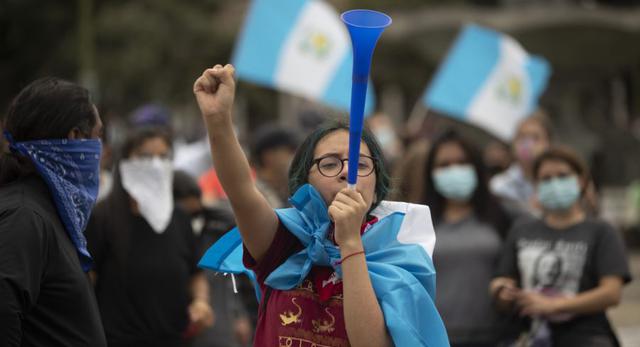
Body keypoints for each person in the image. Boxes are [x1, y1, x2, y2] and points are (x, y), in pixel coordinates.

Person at [193, 64, 449, 347]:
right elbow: (241, 190)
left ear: (377, 184)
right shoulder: (284, 239)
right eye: (329, 164)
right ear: (306, 180)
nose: (345, 173)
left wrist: (350, 242)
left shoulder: (399, 252)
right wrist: (218, 120)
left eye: (361, 165)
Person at [0, 77, 107, 346]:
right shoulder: (24, 215)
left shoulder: (49, 211)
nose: (101, 152)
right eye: (98, 137)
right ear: (75, 138)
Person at [491, 146, 632, 347]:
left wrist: (554, 305)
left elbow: (611, 293)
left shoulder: (602, 231)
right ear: (536, 186)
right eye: (546, 179)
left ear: (581, 180)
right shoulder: (522, 229)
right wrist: (502, 290)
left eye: (562, 176)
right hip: (531, 336)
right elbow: (502, 278)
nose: (555, 183)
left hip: (586, 337)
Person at [85, 128, 213, 347]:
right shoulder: (102, 218)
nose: (155, 164)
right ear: (125, 162)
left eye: (163, 157)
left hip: (176, 339)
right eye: (145, 156)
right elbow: (87, 283)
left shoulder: (180, 218)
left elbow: (196, 273)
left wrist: (201, 303)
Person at [421, 130, 513, 347]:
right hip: (434, 338)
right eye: (444, 165)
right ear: (431, 173)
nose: (454, 170)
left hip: (494, 337)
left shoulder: (503, 215)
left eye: (462, 162)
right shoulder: (418, 218)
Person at [173, 170, 253, 347]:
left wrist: (241, 315)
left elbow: (239, 277)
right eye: (186, 215)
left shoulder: (219, 227)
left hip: (220, 326)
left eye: (196, 214)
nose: (193, 220)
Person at [490, 112, 552, 213]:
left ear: (548, 144)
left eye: (535, 138)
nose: (527, 144)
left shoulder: (557, 184)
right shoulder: (499, 186)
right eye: (522, 137)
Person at [250, 124, 300, 208]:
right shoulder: (254, 193)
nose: (292, 157)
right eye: (289, 151)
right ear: (268, 156)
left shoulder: (291, 187)